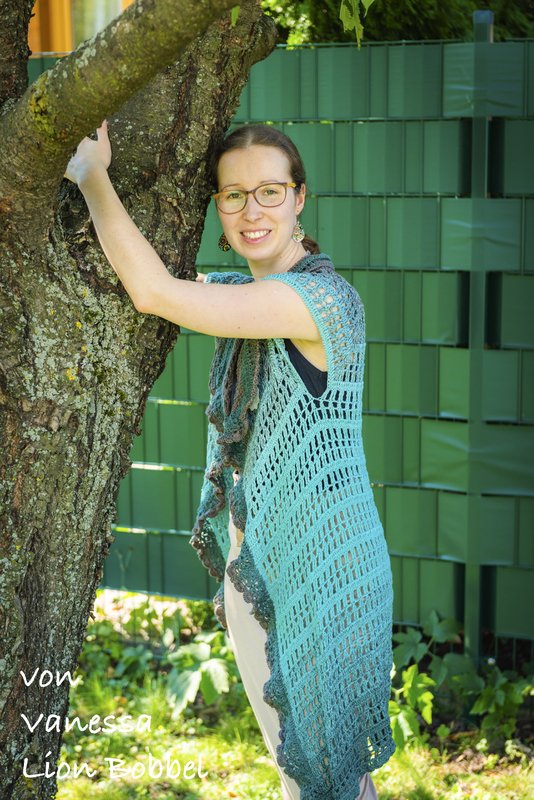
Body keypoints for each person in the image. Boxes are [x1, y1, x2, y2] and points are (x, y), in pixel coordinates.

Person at [65, 120, 396, 799]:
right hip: (264, 561)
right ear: (217, 205)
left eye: (270, 191)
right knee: (307, 774)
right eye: (234, 195)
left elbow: (156, 293)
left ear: (299, 197)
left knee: (324, 777)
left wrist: (92, 176)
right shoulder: (248, 296)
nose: (252, 211)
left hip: (322, 568)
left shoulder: (322, 300)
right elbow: (178, 283)